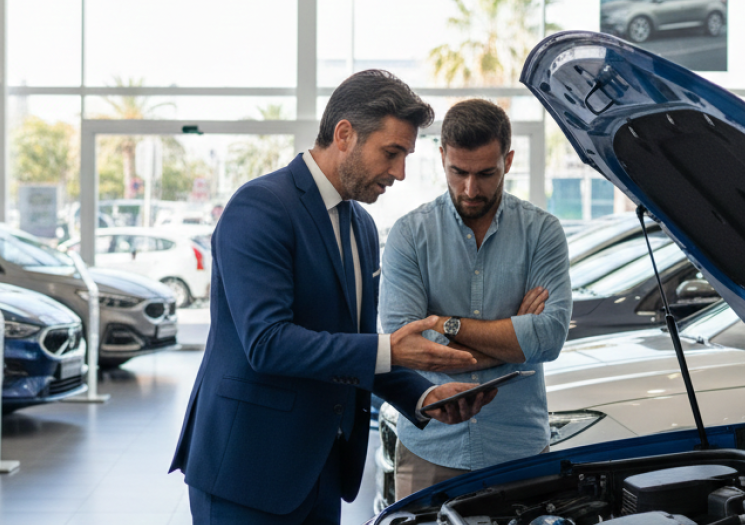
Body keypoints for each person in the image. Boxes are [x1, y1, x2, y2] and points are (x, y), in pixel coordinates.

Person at [169, 70, 496, 525]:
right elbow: (267, 343)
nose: (400, 172)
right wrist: (391, 349)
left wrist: (424, 399)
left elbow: (352, 346)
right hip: (248, 470)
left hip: (322, 469)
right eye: (392, 152)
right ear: (345, 134)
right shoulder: (260, 207)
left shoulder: (360, 226)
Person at [379, 98, 572, 500]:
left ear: (509, 159)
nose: (470, 188)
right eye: (458, 172)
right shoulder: (409, 236)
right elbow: (406, 343)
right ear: (441, 158)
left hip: (518, 447)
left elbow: (548, 339)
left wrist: (443, 324)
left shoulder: (542, 232)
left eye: (486, 173)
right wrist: (514, 343)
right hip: (430, 446)